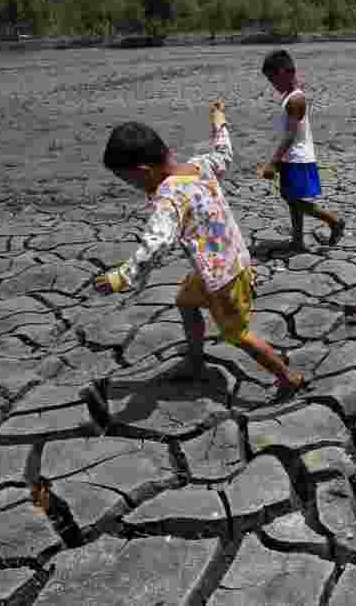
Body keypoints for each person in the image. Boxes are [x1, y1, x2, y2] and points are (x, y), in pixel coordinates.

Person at [90, 102, 305, 397]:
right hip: (221, 265)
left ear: (143, 171)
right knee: (186, 303)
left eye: (129, 181)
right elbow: (224, 153)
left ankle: (287, 377)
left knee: (238, 334)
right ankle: (195, 362)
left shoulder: (169, 197)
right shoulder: (200, 165)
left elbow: (158, 243)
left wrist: (122, 277)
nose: (132, 186)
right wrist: (219, 121)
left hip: (223, 278)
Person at [258, 50, 346, 251]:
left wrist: (273, 161)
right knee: (293, 200)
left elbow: (290, 135)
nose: (273, 84)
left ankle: (333, 221)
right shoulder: (290, 96)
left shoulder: (295, 99)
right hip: (292, 157)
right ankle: (297, 241)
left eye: (274, 79)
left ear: (284, 72)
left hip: (298, 157)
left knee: (293, 200)